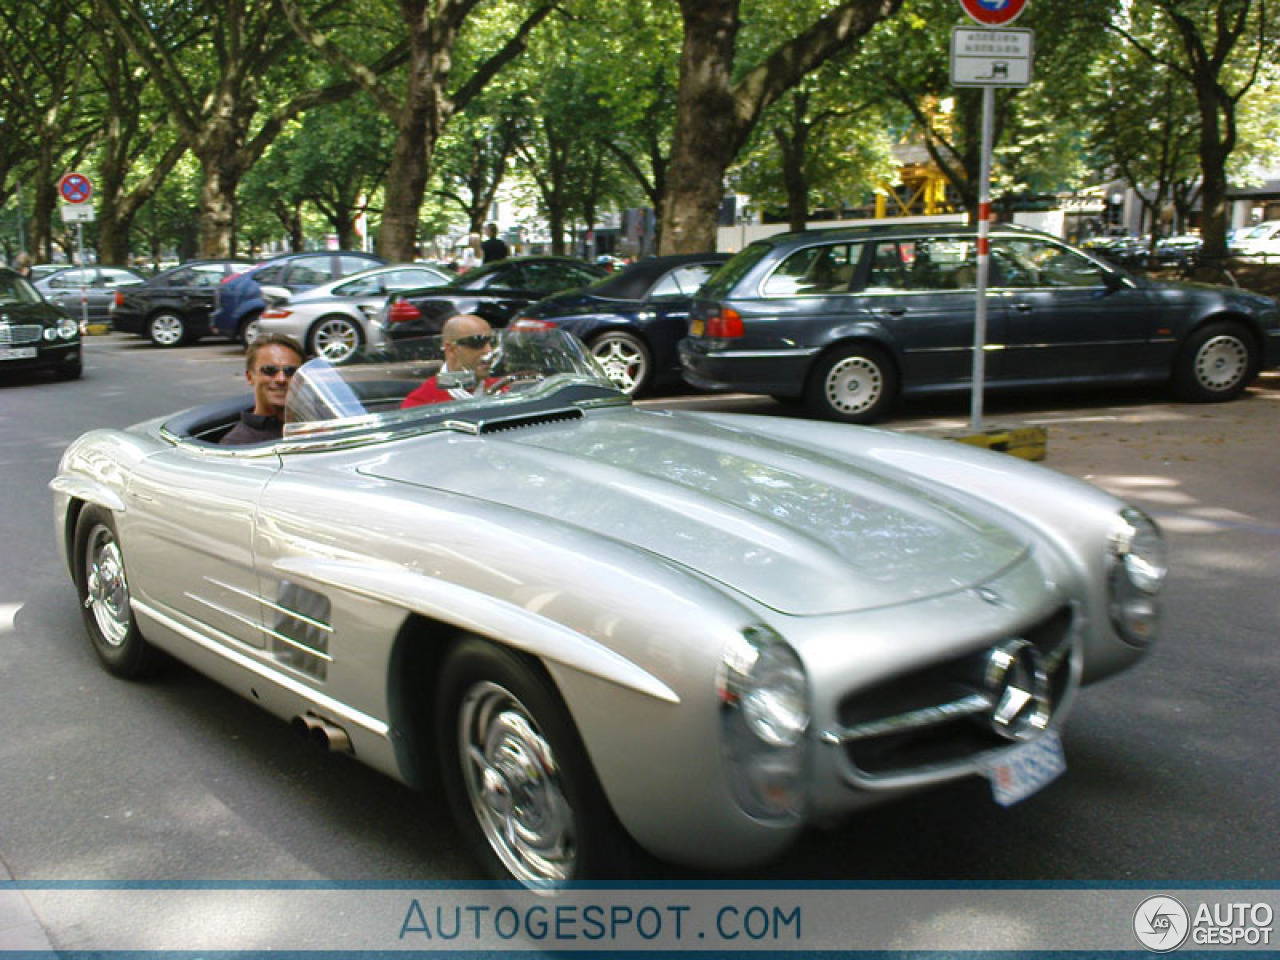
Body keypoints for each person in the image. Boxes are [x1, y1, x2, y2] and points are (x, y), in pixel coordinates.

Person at [221, 334, 305, 445]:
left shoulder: (318, 424)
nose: (281, 379)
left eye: (290, 371)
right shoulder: (237, 443)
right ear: (250, 377)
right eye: (269, 370)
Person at [401, 314, 501, 408]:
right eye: (477, 342)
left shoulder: (502, 390)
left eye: (492, 342)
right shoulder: (421, 403)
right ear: (451, 350)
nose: (489, 351)